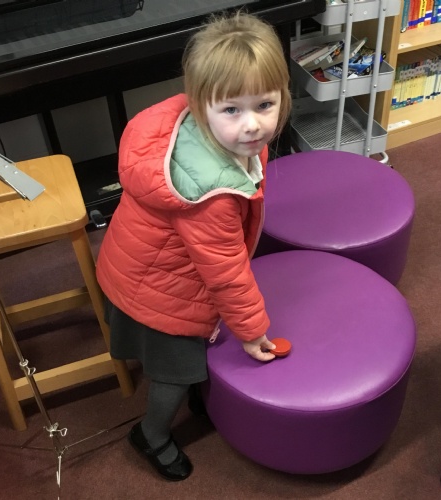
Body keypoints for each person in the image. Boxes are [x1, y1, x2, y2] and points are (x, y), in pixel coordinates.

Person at [96, 10, 291, 481]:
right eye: (232, 110)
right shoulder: (210, 195)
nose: (253, 125)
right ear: (202, 106)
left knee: (190, 359)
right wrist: (251, 330)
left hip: (141, 263)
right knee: (175, 374)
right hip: (158, 292)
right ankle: (152, 434)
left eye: (265, 104)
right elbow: (225, 271)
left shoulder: (213, 134)